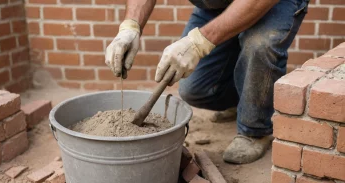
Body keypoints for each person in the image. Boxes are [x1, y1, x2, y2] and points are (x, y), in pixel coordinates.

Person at [105, 0, 308, 164]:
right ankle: (241, 102)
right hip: (217, 5)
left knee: (259, 44)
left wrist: (199, 42)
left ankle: (255, 131)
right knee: (195, 89)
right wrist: (130, 26)